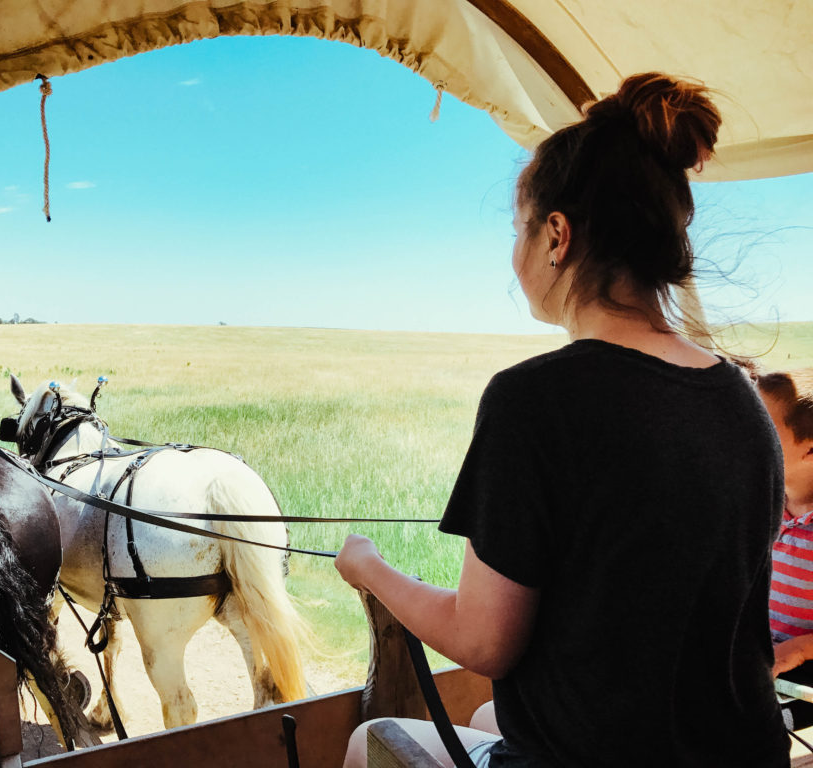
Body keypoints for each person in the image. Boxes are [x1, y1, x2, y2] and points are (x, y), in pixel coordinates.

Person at [334, 72, 790, 767]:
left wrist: (370, 569)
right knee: (490, 715)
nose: (516, 251)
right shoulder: (740, 398)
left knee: (370, 742)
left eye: (519, 228)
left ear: (557, 235)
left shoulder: (533, 400)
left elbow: (485, 642)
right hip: (741, 752)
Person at [757, 371, 813, 676]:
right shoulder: (762, 502)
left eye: (761, 425)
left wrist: (802, 648)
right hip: (763, 654)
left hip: (802, 666)